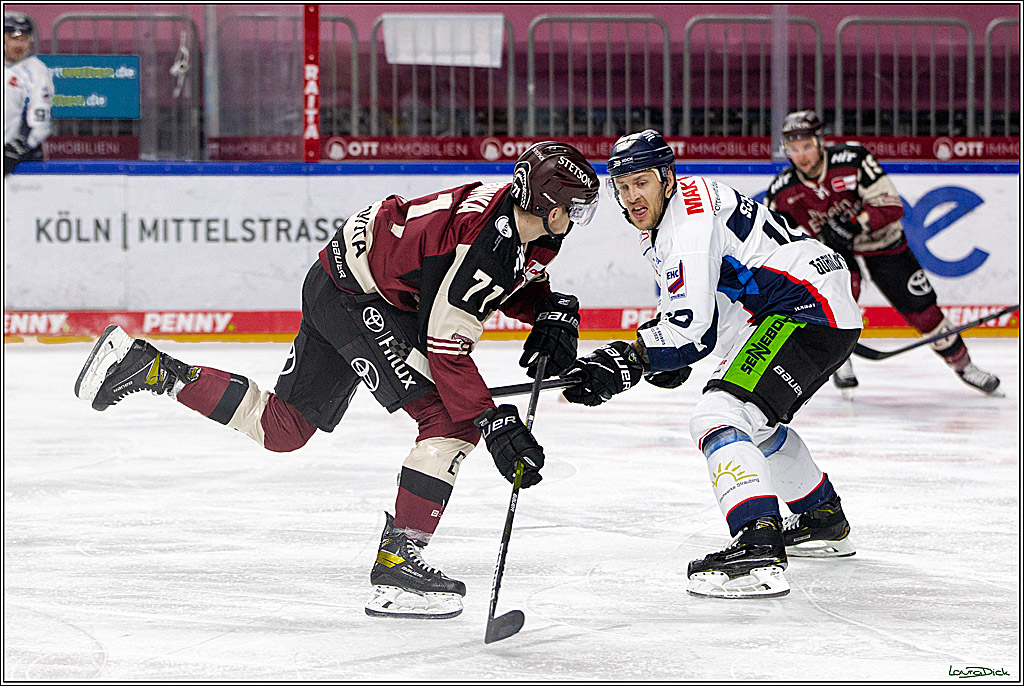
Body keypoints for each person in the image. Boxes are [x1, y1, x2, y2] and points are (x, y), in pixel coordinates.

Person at [74, 141, 601, 619]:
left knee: (283, 429)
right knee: (449, 422)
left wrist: (549, 308)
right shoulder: (483, 248)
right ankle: (398, 563)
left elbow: (499, 280)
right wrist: (491, 421)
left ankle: (149, 367)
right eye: (575, 209)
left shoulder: (514, 219)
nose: (576, 219)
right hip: (358, 298)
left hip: (341, 279)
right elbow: (445, 344)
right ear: (552, 209)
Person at [562, 130, 862, 599]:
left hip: (804, 306)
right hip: (803, 302)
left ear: (666, 178)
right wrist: (661, 355)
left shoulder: (685, 225)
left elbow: (691, 331)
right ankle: (821, 515)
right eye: (622, 187)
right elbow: (699, 308)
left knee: (719, 416)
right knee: (753, 423)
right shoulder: (679, 212)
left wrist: (629, 358)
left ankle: (758, 546)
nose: (632, 196)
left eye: (641, 182)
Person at [766, 110, 1001, 398]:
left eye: (807, 146)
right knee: (835, 298)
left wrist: (854, 224)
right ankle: (840, 358)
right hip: (836, 253)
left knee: (924, 311)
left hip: (882, 242)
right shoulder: (782, 190)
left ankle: (965, 366)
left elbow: (891, 206)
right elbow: (775, 240)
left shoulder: (852, 160)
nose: (801, 155)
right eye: (794, 148)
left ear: (820, 142)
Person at [5, 12, 53, 176]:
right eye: (14, 38)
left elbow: (40, 117)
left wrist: (21, 146)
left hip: (18, 157)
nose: (19, 45)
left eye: (24, 39)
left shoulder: (37, 70)